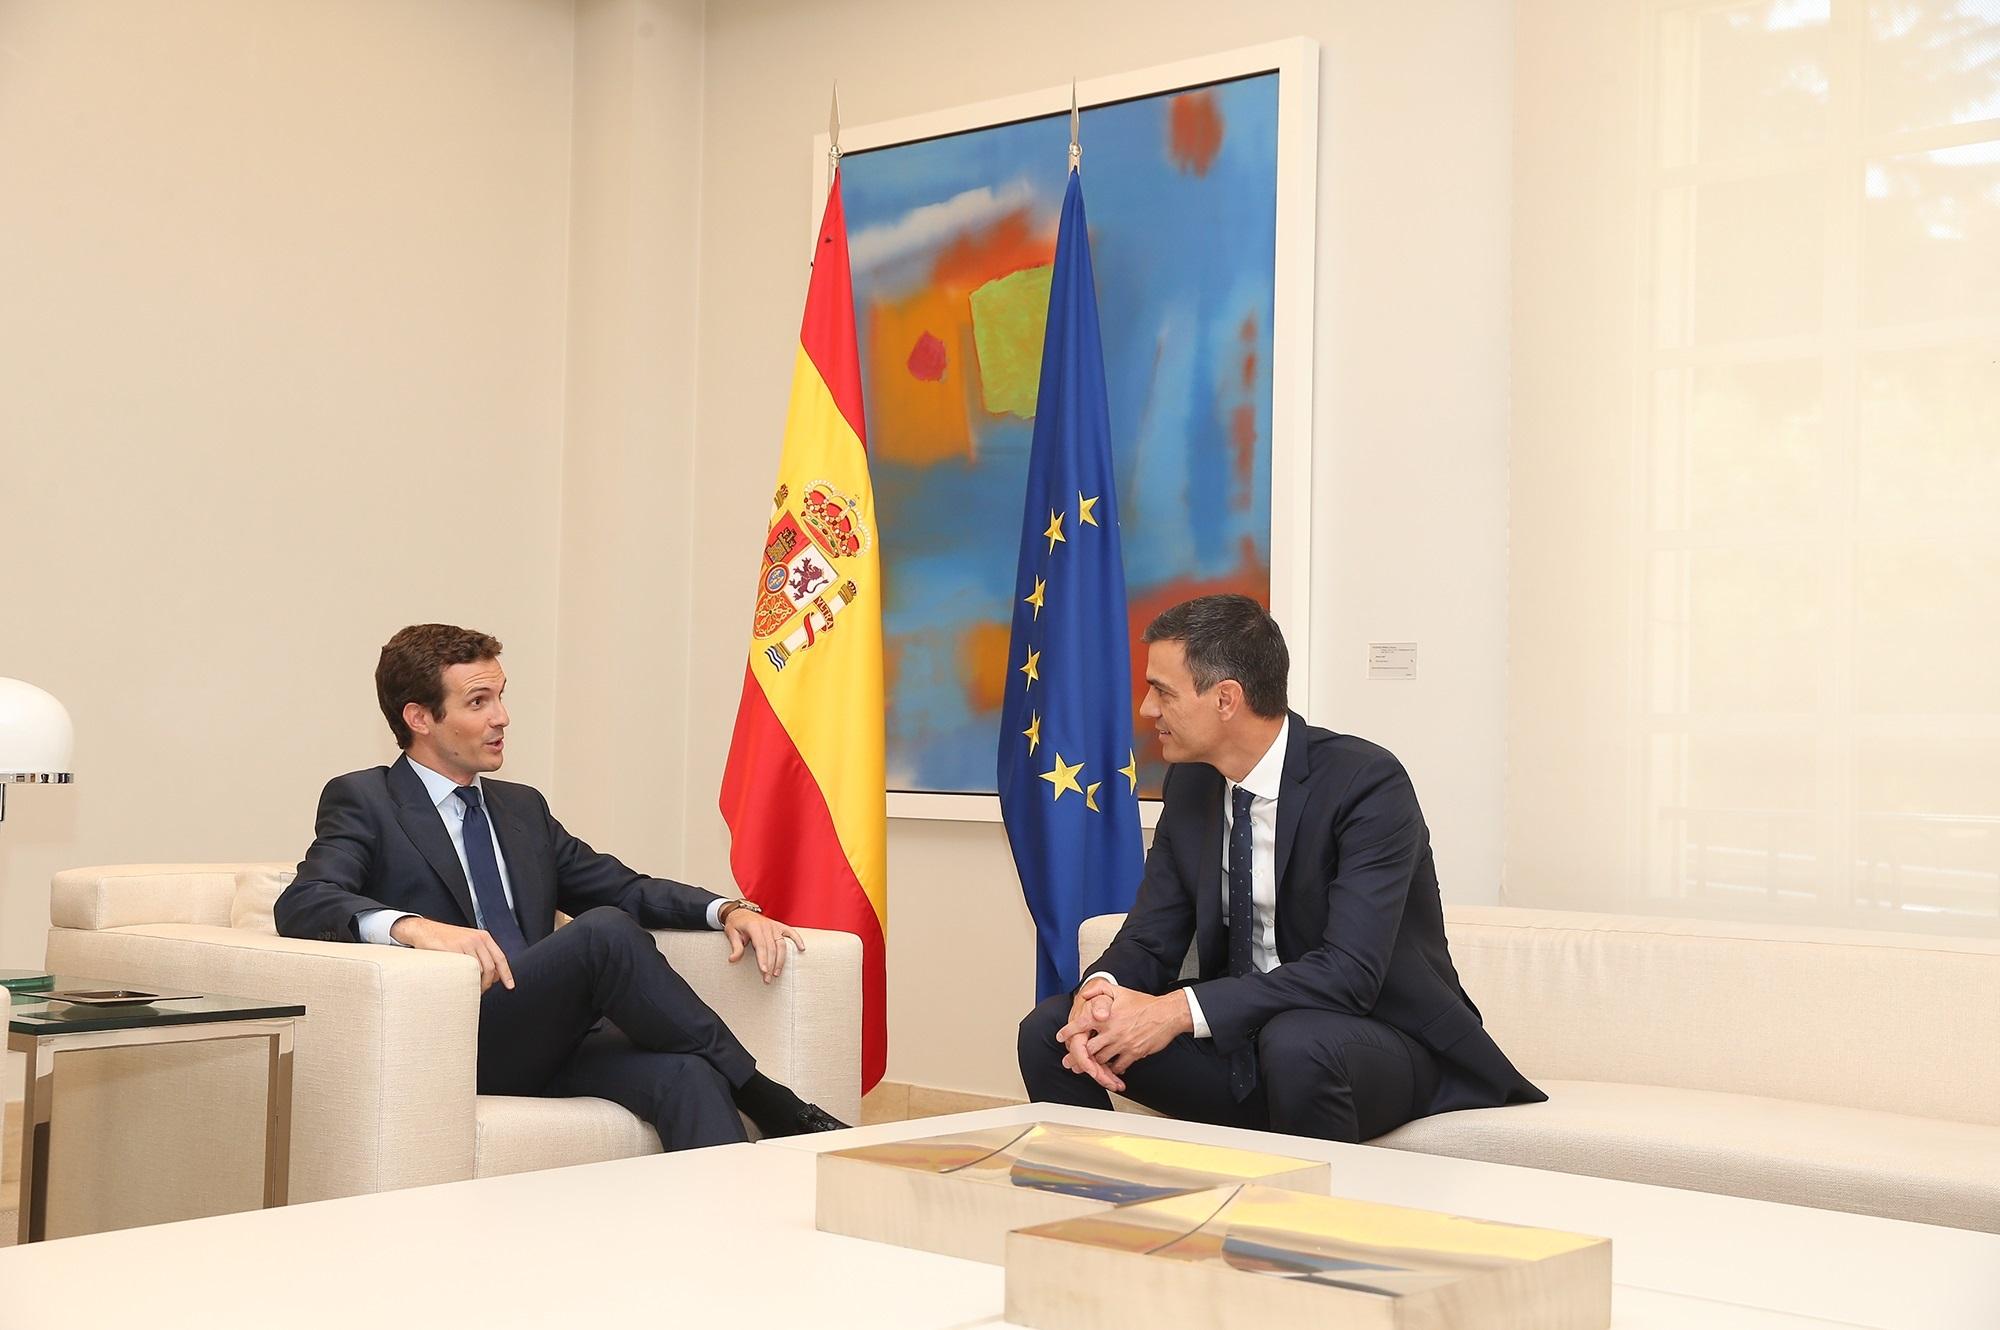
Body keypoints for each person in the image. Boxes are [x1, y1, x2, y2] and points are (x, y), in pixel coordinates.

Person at [277, 623, 845, 1148]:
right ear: (420, 717)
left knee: (687, 1074)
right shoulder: (367, 800)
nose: (502, 717)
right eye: (479, 702)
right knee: (602, 935)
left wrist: (725, 911)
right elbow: (305, 901)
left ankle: (732, 1245)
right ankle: (768, 1098)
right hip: (460, 1036)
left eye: (501, 696)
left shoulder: (521, 808)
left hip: (548, 1035)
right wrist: (414, 928)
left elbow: (623, 888)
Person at [1017, 595, 1544, 1142]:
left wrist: (1175, 1011)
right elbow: (1151, 939)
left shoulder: (1366, 784)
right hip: (1247, 1038)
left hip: (1376, 1040)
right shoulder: (1193, 785)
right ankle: (1111, 1212)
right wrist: (1100, 995)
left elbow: (1350, 972)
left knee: (1297, 1043)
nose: (1148, 710)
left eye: (1163, 691)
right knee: (1051, 1032)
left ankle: (1305, 1225)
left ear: (1226, 699)